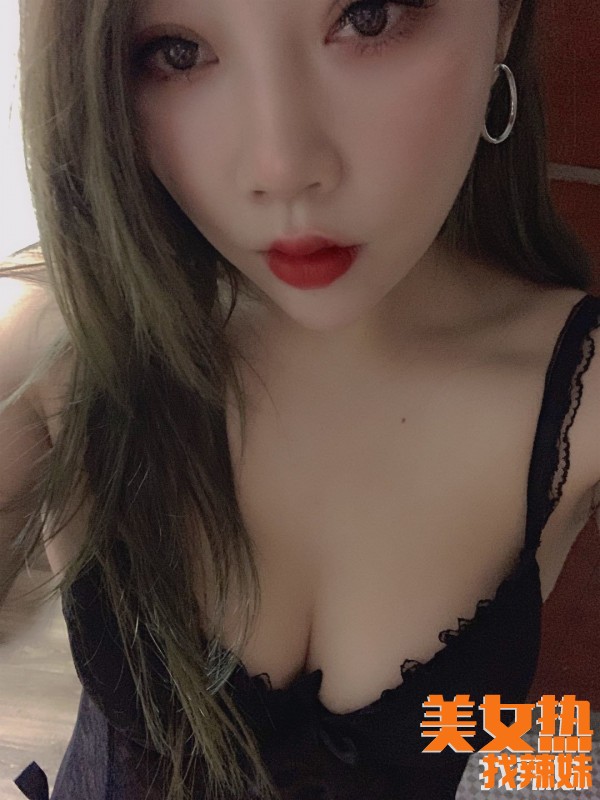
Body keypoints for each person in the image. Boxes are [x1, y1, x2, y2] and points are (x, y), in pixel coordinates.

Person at [2, 0, 599, 798]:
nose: (282, 167)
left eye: (369, 16)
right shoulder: (63, 348)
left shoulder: (580, 394)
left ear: (502, 19)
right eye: (176, 53)